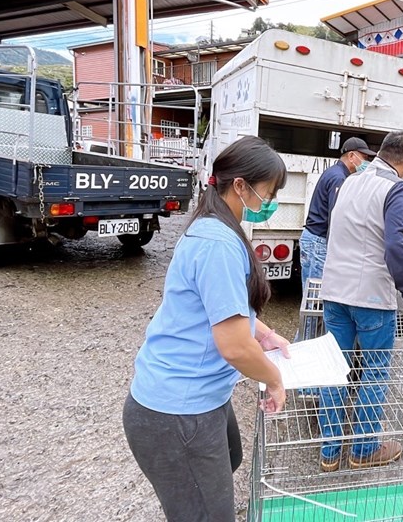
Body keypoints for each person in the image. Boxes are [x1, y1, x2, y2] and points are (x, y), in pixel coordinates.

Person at [122, 136, 292, 522]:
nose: (270, 202)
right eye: (269, 192)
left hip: (199, 400)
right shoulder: (218, 243)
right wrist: (275, 378)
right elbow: (233, 346)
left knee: (229, 458)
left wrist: (263, 335)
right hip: (176, 411)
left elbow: (221, 307)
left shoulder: (215, 226)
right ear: (240, 186)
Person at [317, 131, 403, 472]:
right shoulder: (397, 189)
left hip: (334, 291)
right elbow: (396, 245)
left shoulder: (350, 180)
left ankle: (329, 451)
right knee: (374, 371)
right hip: (372, 297)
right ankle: (364, 448)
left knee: (335, 368)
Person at [300, 136, 375, 290]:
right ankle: (313, 316)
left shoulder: (335, 172)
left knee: (310, 291)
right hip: (319, 242)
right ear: (352, 156)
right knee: (316, 295)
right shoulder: (339, 178)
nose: (366, 162)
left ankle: (310, 316)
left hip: (312, 237)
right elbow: (336, 216)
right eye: (364, 157)